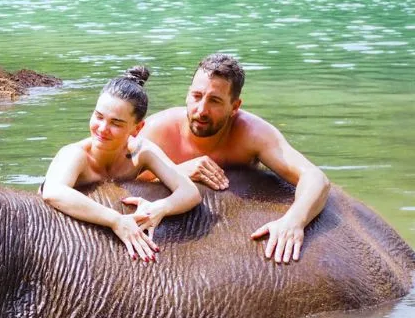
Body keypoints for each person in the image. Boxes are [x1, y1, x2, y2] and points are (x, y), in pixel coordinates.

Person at [138, 53, 330, 264]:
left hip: (230, 230)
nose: (201, 110)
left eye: (215, 101)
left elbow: (315, 178)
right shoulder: (158, 130)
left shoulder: (252, 133)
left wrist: (294, 222)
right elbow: (116, 176)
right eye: (196, 96)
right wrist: (177, 172)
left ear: (235, 107)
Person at [41, 66, 201, 263]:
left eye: (116, 123)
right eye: (99, 116)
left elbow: (189, 191)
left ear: (137, 128)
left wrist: (160, 208)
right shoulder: (76, 155)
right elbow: (52, 191)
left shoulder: (141, 152)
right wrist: (116, 220)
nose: (102, 128)